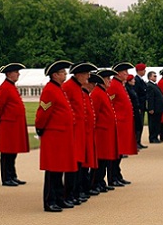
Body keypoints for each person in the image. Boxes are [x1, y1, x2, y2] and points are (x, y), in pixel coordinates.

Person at [35, 60, 76, 212]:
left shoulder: (59, 89)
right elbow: (43, 112)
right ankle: (50, 201)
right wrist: (40, 128)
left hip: (61, 137)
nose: (65, 74)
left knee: (60, 169)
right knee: (53, 171)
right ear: (55, 75)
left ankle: (59, 198)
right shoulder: (50, 90)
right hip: (54, 136)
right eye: (63, 72)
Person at [63, 62, 98, 205]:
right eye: (86, 74)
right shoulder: (68, 87)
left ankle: (75, 192)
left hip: (81, 132)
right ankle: (70, 193)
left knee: (79, 165)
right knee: (73, 165)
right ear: (79, 75)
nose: (88, 78)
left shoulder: (77, 88)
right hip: (73, 132)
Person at [0, 63, 29, 187]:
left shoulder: (11, 87)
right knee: (7, 153)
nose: (18, 74)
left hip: (13, 125)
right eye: (16, 72)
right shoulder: (5, 88)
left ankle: (12, 175)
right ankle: (6, 178)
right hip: (8, 125)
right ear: (9, 74)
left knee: (12, 153)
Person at [107, 62, 137, 186]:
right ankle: (113, 176)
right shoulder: (114, 85)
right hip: (118, 123)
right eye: (125, 72)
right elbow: (110, 103)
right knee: (116, 152)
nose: (127, 74)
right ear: (118, 73)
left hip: (123, 123)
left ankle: (117, 175)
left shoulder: (120, 84)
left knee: (120, 152)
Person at [90, 69, 118, 192]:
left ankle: (101, 181)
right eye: (107, 79)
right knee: (100, 159)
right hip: (101, 132)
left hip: (106, 131)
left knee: (105, 159)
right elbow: (94, 113)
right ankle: (95, 182)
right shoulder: (97, 93)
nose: (110, 81)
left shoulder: (103, 92)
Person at [146, 71, 163, 143]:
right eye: (154, 76)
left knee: (157, 123)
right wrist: (151, 108)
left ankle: (155, 136)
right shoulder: (149, 85)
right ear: (150, 77)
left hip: (158, 108)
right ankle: (153, 137)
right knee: (153, 123)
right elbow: (150, 98)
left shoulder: (154, 85)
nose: (156, 77)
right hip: (154, 108)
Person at [125, 74, 143, 150]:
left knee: (138, 126)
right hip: (133, 110)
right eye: (132, 80)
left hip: (136, 109)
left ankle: (137, 142)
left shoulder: (132, 88)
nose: (134, 81)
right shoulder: (127, 89)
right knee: (135, 127)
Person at [134, 63, 148, 148]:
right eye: (143, 70)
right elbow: (136, 95)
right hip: (139, 105)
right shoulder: (137, 80)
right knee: (138, 124)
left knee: (141, 124)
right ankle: (136, 141)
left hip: (142, 105)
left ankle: (138, 141)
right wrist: (138, 106)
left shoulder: (141, 80)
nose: (145, 71)